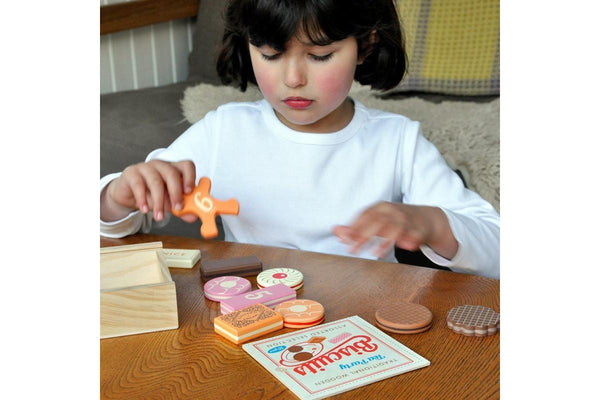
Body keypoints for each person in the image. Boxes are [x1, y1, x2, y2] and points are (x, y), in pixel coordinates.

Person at [100, 0, 500, 279]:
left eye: (320, 55)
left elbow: (497, 250)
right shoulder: (224, 131)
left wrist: (431, 222)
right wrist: (118, 197)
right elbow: (107, 224)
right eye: (271, 54)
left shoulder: (397, 141)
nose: (292, 79)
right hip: (256, 314)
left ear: (366, 46)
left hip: (367, 323)